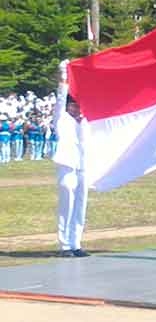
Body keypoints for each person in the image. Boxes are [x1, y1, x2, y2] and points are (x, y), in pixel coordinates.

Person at [52, 60, 90, 257]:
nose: (76, 109)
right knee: (67, 197)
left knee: (81, 203)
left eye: (78, 106)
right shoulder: (62, 119)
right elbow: (60, 100)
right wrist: (64, 77)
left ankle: (76, 242)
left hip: (83, 164)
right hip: (67, 162)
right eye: (73, 106)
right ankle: (65, 244)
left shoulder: (86, 121)